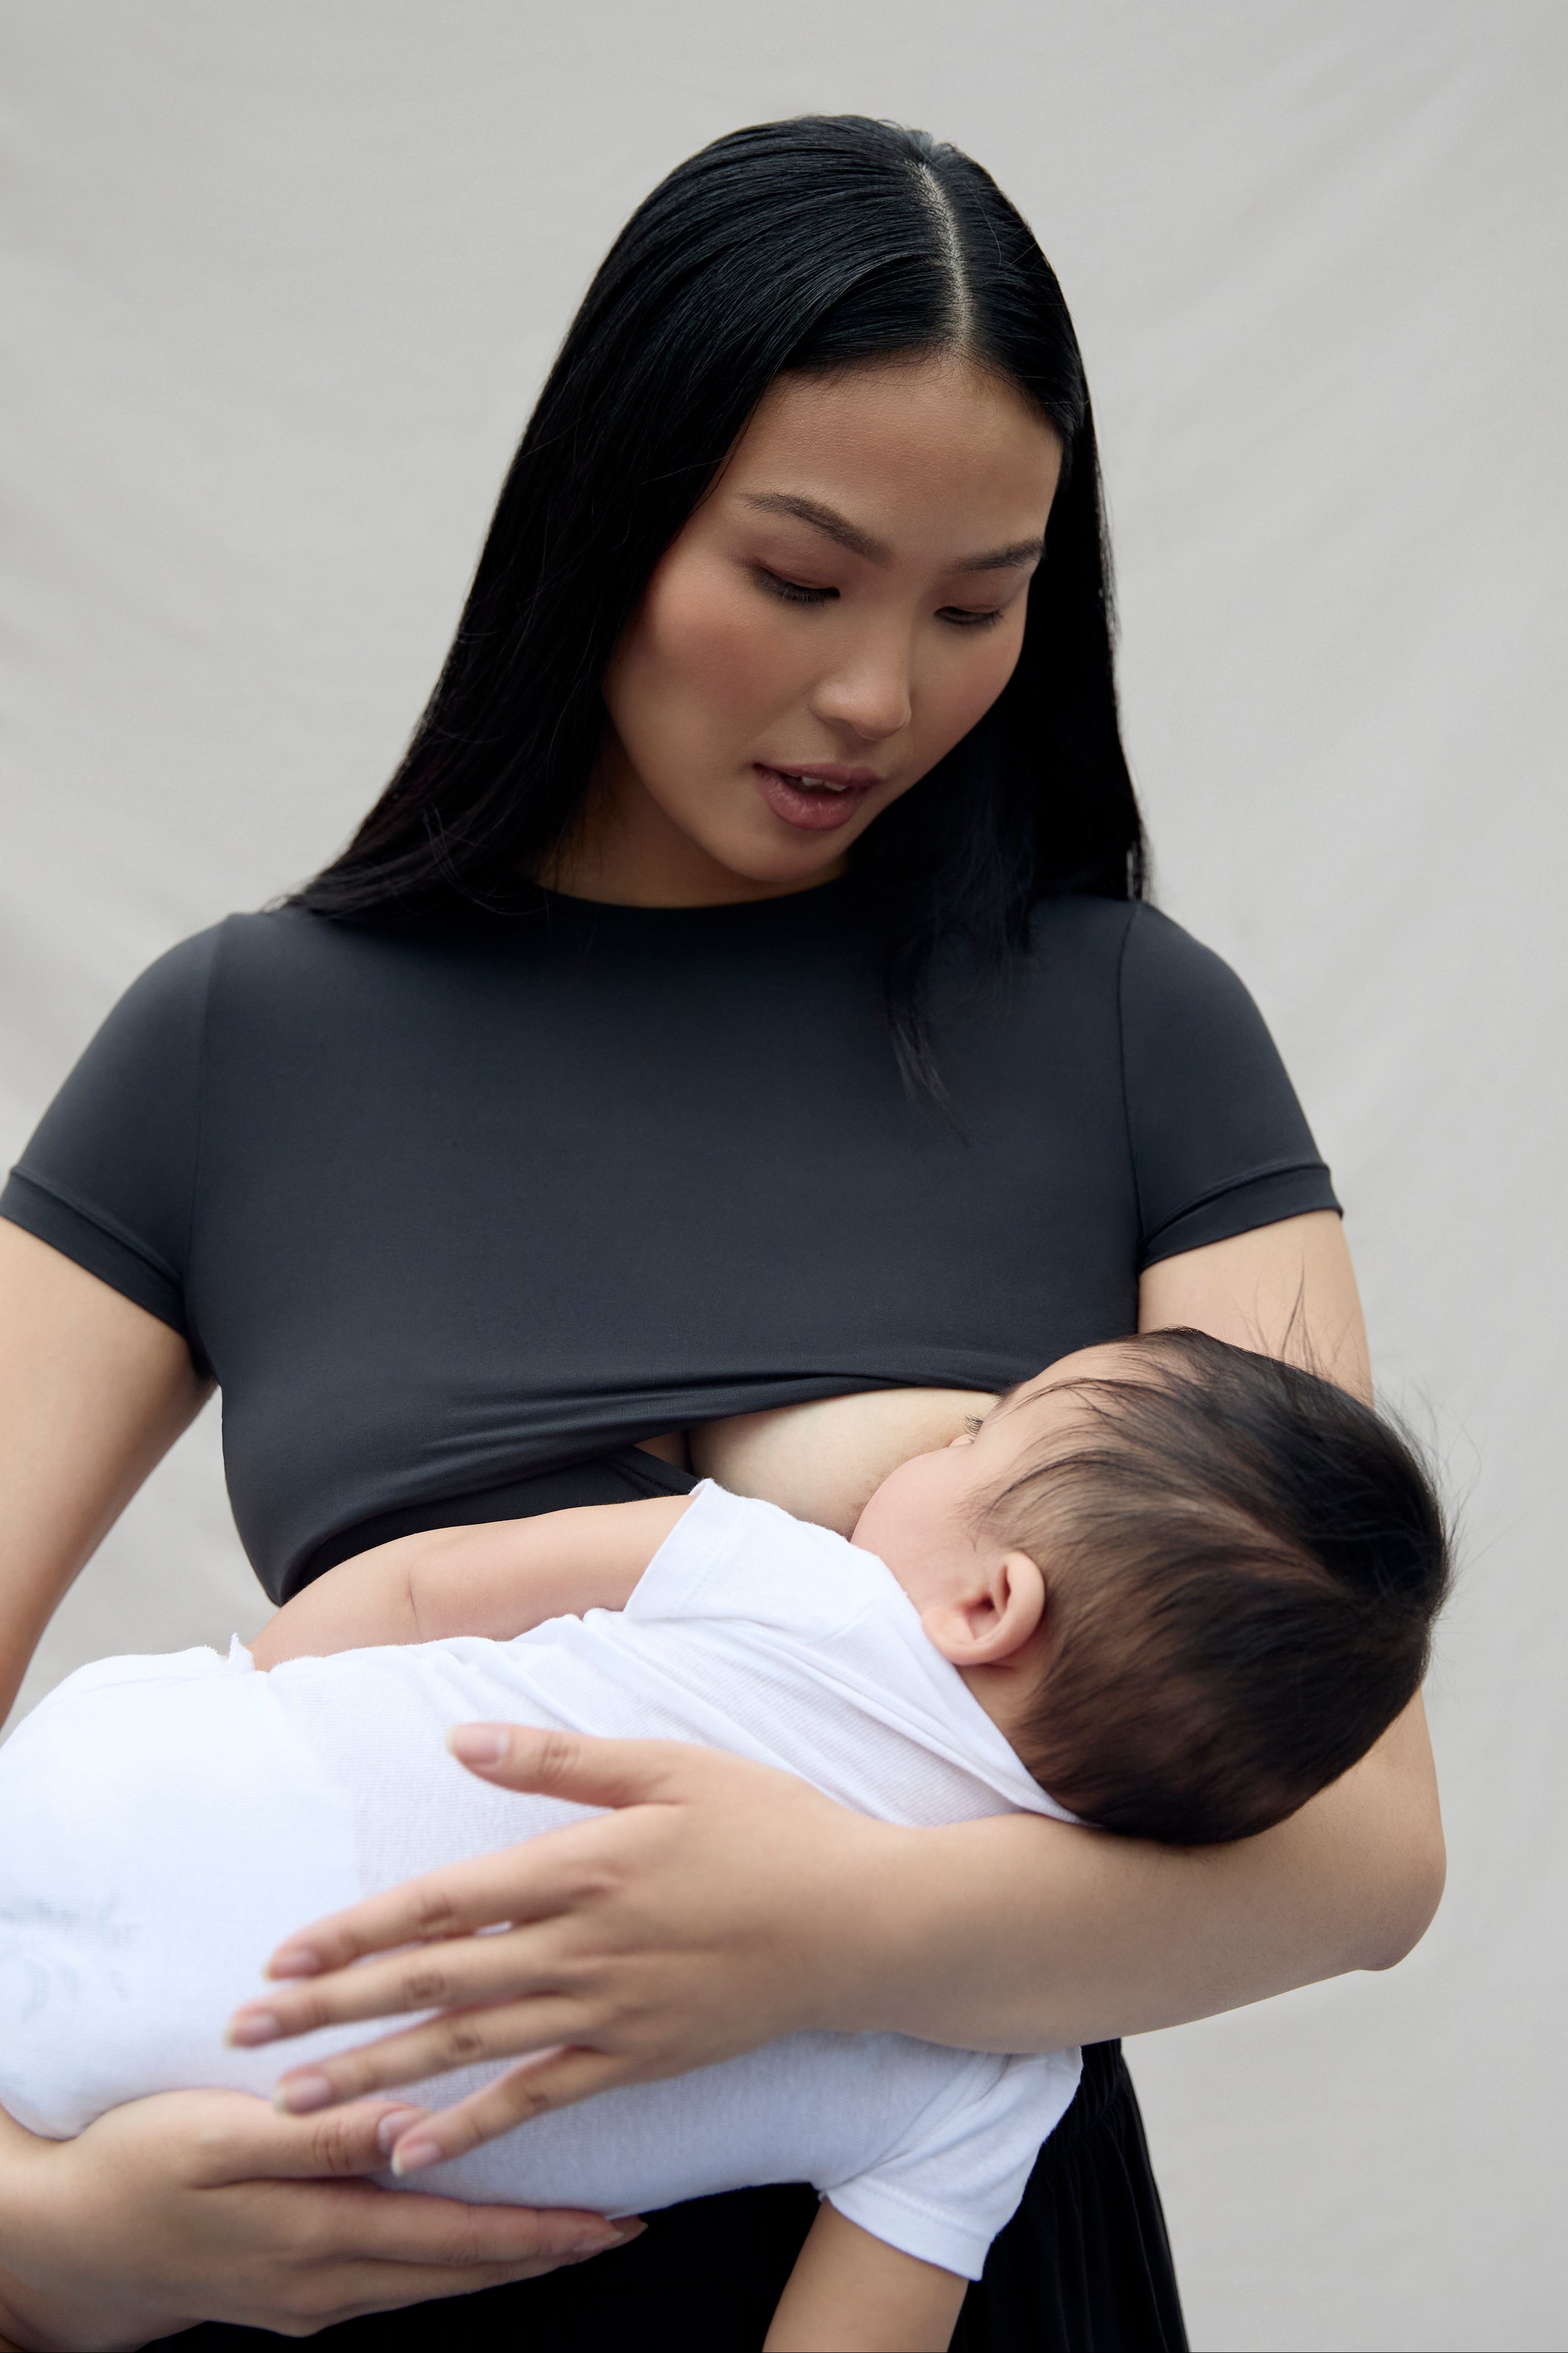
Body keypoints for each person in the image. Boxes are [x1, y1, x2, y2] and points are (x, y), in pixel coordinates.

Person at [0, 116, 1445, 2352]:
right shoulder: (239, 1043)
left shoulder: (1133, 1023)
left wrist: (835, 1932)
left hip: (958, 2265)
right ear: (611, 515)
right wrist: (38, 2242)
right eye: (799, 577)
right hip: (348, 2254)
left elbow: (1364, 1853)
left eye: (975, 605)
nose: (880, 695)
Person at [0, 1336, 1449, 2353]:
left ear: (988, 1604)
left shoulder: (789, 1574)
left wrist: (256, 1700)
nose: (938, 1439)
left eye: (974, 1438)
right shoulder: (1001, 2075)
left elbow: (427, 1589)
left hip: (105, 1795)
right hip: (161, 2117)